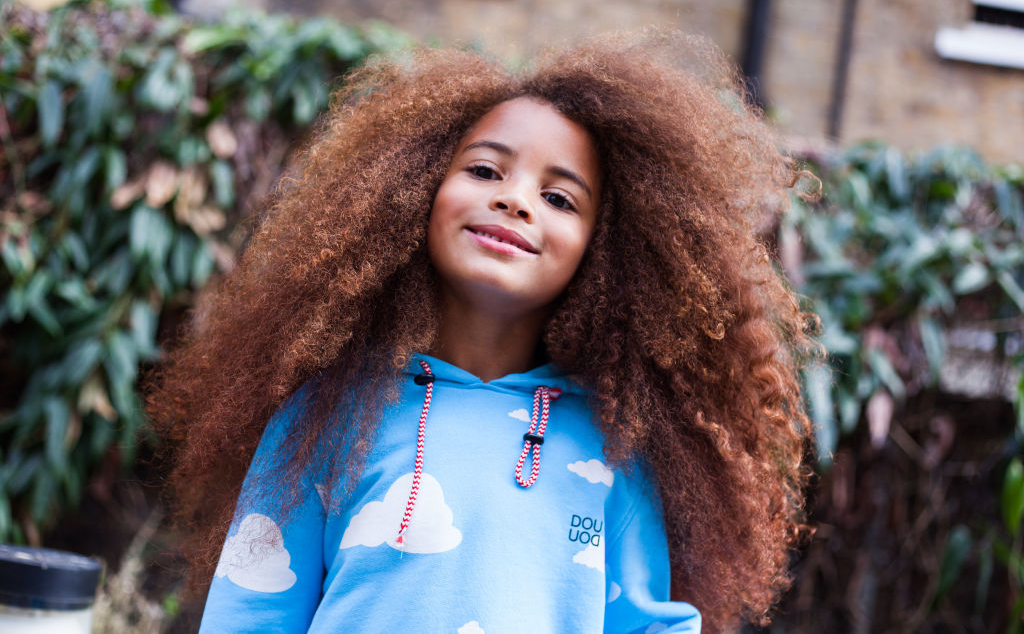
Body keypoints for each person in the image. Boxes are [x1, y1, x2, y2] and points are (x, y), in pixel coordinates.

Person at [147, 32, 816, 633]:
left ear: (608, 248)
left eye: (559, 198)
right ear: (414, 191)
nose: (515, 199)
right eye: (485, 170)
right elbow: (251, 613)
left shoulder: (614, 451)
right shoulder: (323, 417)